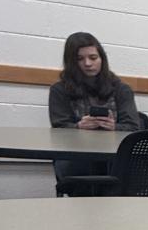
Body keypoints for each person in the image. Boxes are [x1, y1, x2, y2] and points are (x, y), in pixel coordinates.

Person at [49, 32, 139, 188]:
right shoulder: (60, 90)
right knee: (77, 168)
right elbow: (58, 128)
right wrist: (78, 126)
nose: (88, 63)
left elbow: (133, 127)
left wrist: (114, 127)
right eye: (79, 59)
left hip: (114, 153)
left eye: (93, 57)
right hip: (75, 153)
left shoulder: (121, 89)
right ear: (71, 62)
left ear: (102, 59)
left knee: (125, 170)